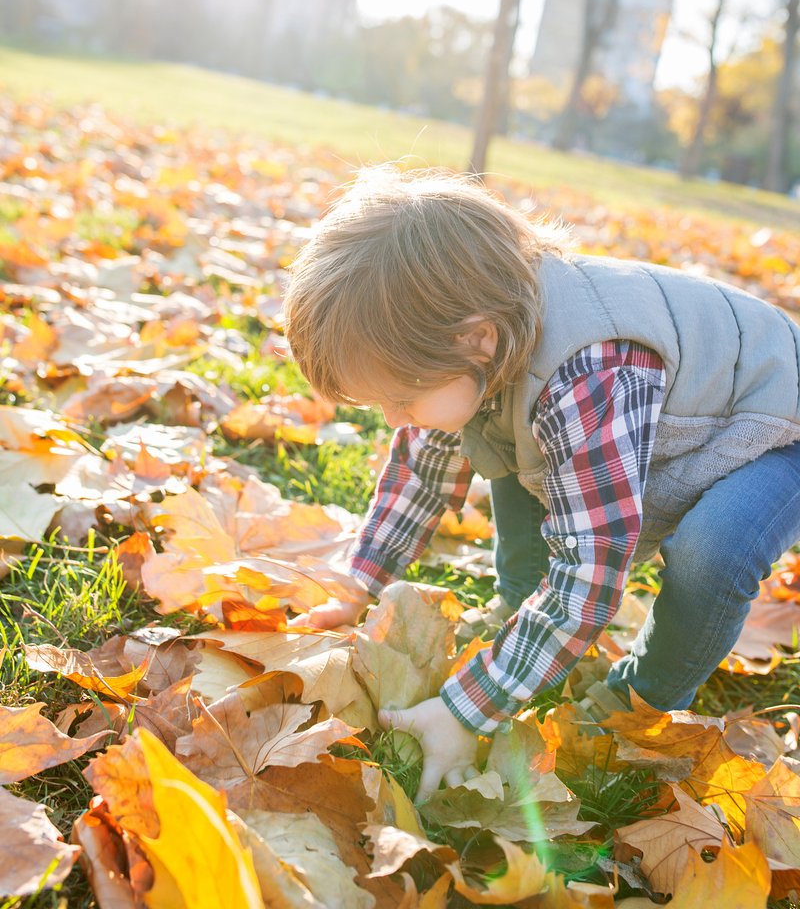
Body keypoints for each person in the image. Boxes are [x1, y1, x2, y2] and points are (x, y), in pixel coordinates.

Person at [284, 165, 800, 802]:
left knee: (713, 549)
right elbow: (422, 470)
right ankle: (524, 619)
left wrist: (463, 711)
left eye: (398, 399)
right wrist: (356, 582)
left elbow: (590, 574)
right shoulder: (468, 346)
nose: (394, 420)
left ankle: (642, 699)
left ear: (478, 339)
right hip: (652, 416)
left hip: (774, 424)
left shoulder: (587, 372)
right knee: (499, 435)